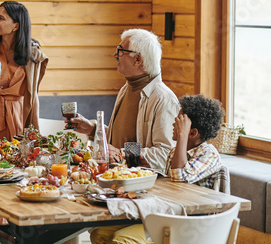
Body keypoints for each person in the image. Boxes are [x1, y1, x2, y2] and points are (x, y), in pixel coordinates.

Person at [90, 94, 225, 244]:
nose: (173, 124)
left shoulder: (209, 154)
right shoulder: (177, 152)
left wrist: (181, 135)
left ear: (192, 133)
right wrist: (149, 169)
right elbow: (172, 182)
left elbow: (180, 177)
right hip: (165, 213)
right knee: (99, 233)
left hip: (187, 224)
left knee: (122, 239)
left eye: (179, 122)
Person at [69, 29, 179, 173]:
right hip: (116, 177)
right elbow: (120, 139)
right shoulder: (126, 89)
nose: (115, 55)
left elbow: (166, 154)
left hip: (143, 185)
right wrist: (94, 130)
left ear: (138, 59)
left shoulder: (163, 99)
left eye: (121, 51)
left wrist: (121, 154)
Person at [0, 1, 48, 140]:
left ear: (16, 26)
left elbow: (33, 95)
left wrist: (35, 130)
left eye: (1, 18)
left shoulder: (32, 54)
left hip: (20, 116)